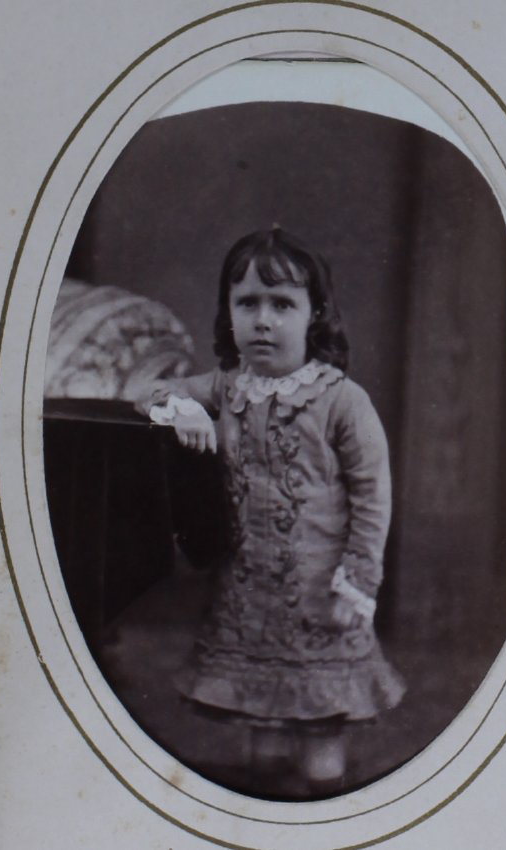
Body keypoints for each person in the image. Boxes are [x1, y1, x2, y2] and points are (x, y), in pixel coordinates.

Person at [137, 227, 405, 793]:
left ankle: (323, 815)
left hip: (321, 596)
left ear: (314, 314)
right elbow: (147, 392)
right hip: (250, 599)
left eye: (282, 304)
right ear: (228, 313)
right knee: (263, 732)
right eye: (247, 303)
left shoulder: (341, 401)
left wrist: (356, 581)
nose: (263, 320)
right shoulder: (229, 387)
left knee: (320, 738)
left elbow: (372, 495)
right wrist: (182, 409)